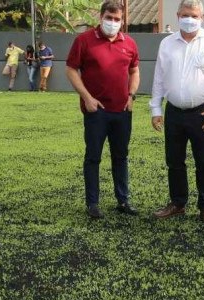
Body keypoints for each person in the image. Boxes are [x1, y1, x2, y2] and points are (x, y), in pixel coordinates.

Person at [150, 0, 204, 225]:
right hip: (174, 112)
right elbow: (159, 78)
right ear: (177, 15)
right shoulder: (166, 43)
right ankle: (177, 203)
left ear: (202, 17)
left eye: (194, 15)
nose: (189, 19)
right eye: (185, 14)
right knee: (174, 161)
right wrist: (156, 108)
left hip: (203, 113)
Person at [66, 0, 140, 219]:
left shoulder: (129, 43)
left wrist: (131, 96)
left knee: (121, 157)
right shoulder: (84, 41)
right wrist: (87, 98)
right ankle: (93, 204)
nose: (113, 23)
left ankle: (123, 201)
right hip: (96, 111)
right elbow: (71, 70)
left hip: (122, 111)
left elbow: (135, 70)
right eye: (109, 18)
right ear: (101, 17)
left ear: (122, 21)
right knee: (93, 157)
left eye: (117, 19)